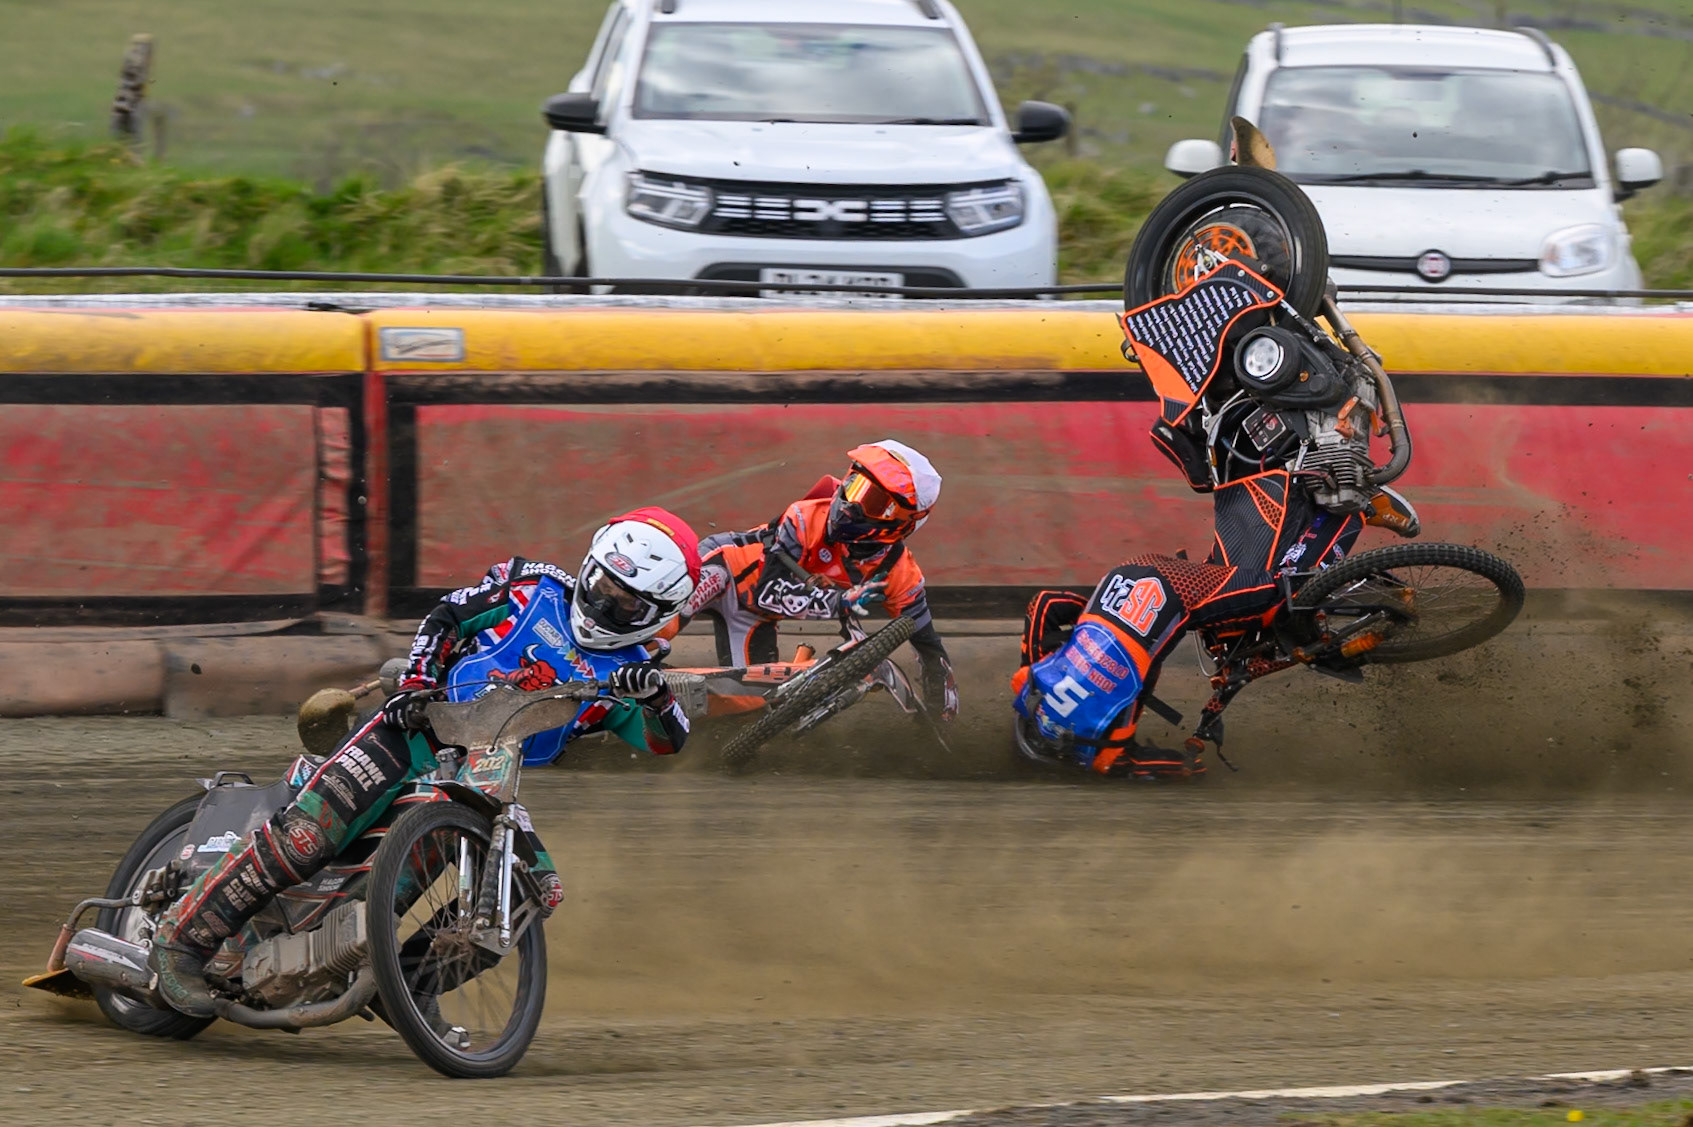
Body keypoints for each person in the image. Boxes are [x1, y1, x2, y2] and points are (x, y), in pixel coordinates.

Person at [149, 507, 701, 1017]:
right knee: (308, 836)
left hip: (480, 780)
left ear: (657, 614)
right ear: (590, 563)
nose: (604, 602)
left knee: (527, 889)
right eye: (602, 582)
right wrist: (415, 684)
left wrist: (654, 698)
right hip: (414, 730)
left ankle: (405, 989)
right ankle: (182, 944)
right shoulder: (533, 588)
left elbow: (667, 739)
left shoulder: (635, 672)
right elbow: (447, 616)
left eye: (625, 602)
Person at [681, 439, 958, 721]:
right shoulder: (805, 517)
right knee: (666, 617)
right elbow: (768, 591)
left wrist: (941, 714)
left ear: (902, 521)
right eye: (853, 485)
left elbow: (929, 648)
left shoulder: (900, 573)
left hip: (753, 616)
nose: (851, 504)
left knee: (751, 710)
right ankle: (639, 665)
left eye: (870, 500)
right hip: (723, 567)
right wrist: (839, 602)